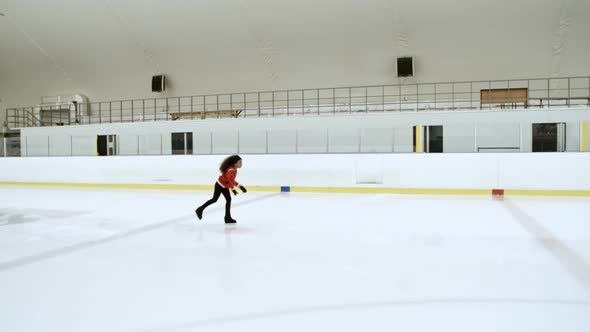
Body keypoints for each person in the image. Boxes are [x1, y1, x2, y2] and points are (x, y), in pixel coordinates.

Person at [196, 155, 247, 223]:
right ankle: (200, 209)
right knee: (214, 199)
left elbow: (230, 181)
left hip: (225, 186)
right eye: (240, 162)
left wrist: (232, 189)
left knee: (228, 199)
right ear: (235, 163)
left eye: (241, 162)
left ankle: (227, 218)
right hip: (219, 185)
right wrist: (240, 186)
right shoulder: (231, 170)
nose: (241, 164)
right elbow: (230, 180)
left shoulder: (234, 169)